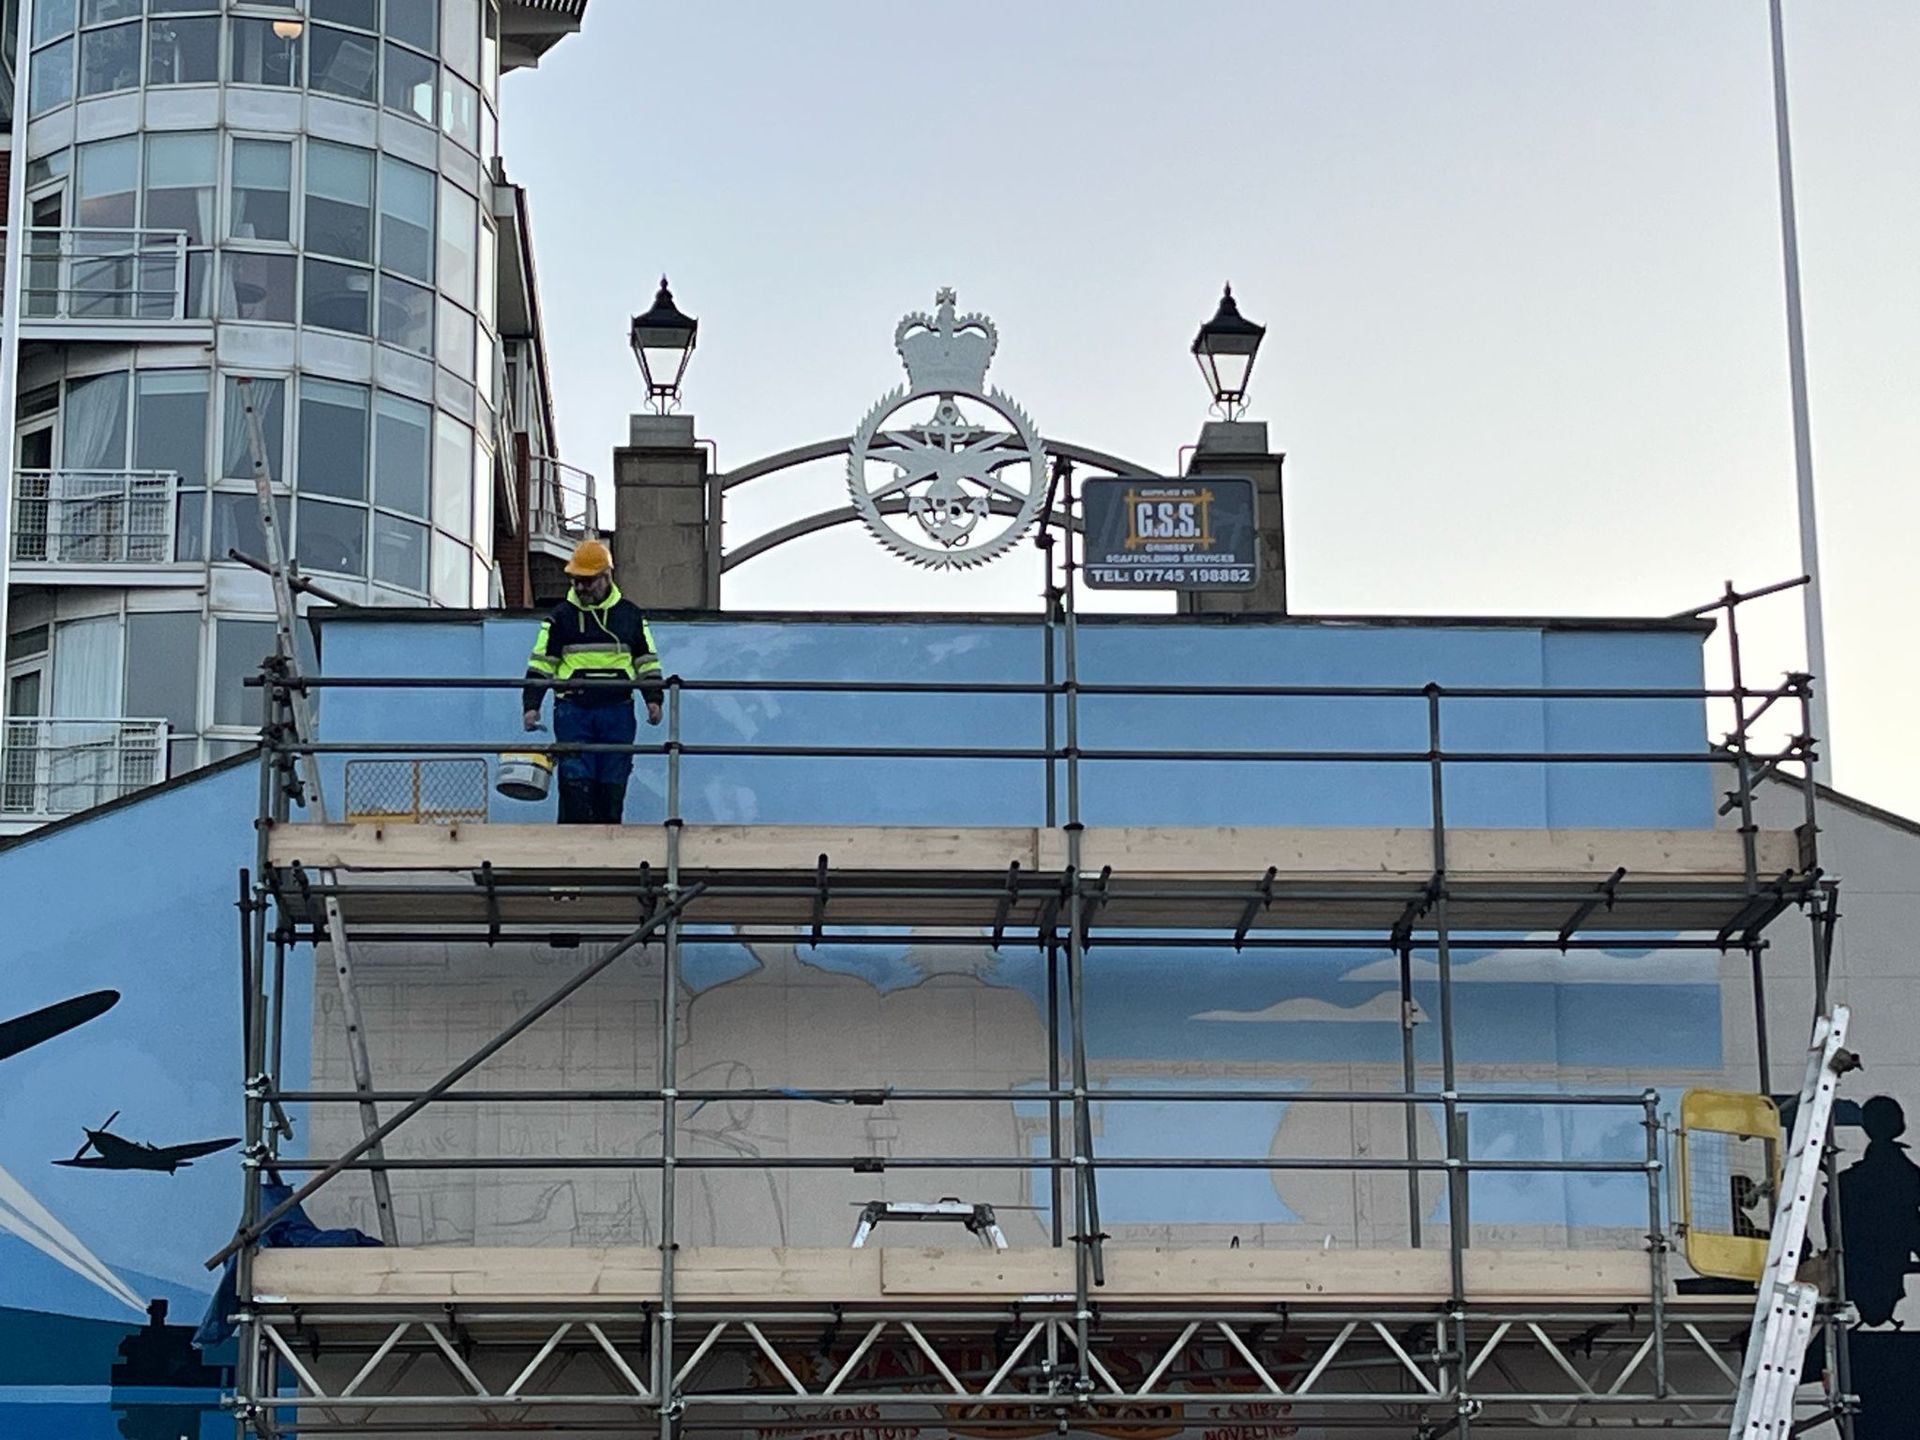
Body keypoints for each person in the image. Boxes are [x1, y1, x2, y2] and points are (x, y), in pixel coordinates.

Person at [521, 539, 664, 824]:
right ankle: (576, 846)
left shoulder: (631, 617)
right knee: (576, 781)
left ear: (606, 577)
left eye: (587, 581)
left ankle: (607, 846)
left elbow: (647, 662)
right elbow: (540, 665)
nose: (581, 588)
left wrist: (654, 699)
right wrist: (531, 705)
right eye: (576, 581)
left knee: (612, 783)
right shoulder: (560, 618)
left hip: (617, 710)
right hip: (574, 709)